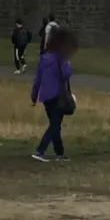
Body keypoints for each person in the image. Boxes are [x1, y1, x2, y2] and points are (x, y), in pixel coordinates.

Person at [30, 28, 77, 163]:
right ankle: (40, 150)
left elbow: (37, 80)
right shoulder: (60, 58)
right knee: (55, 125)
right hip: (58, 95)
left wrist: (34, 97)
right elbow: (67, 73)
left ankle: (60, 153)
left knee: (55, 124)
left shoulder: (43, 58)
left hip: (45, 96)